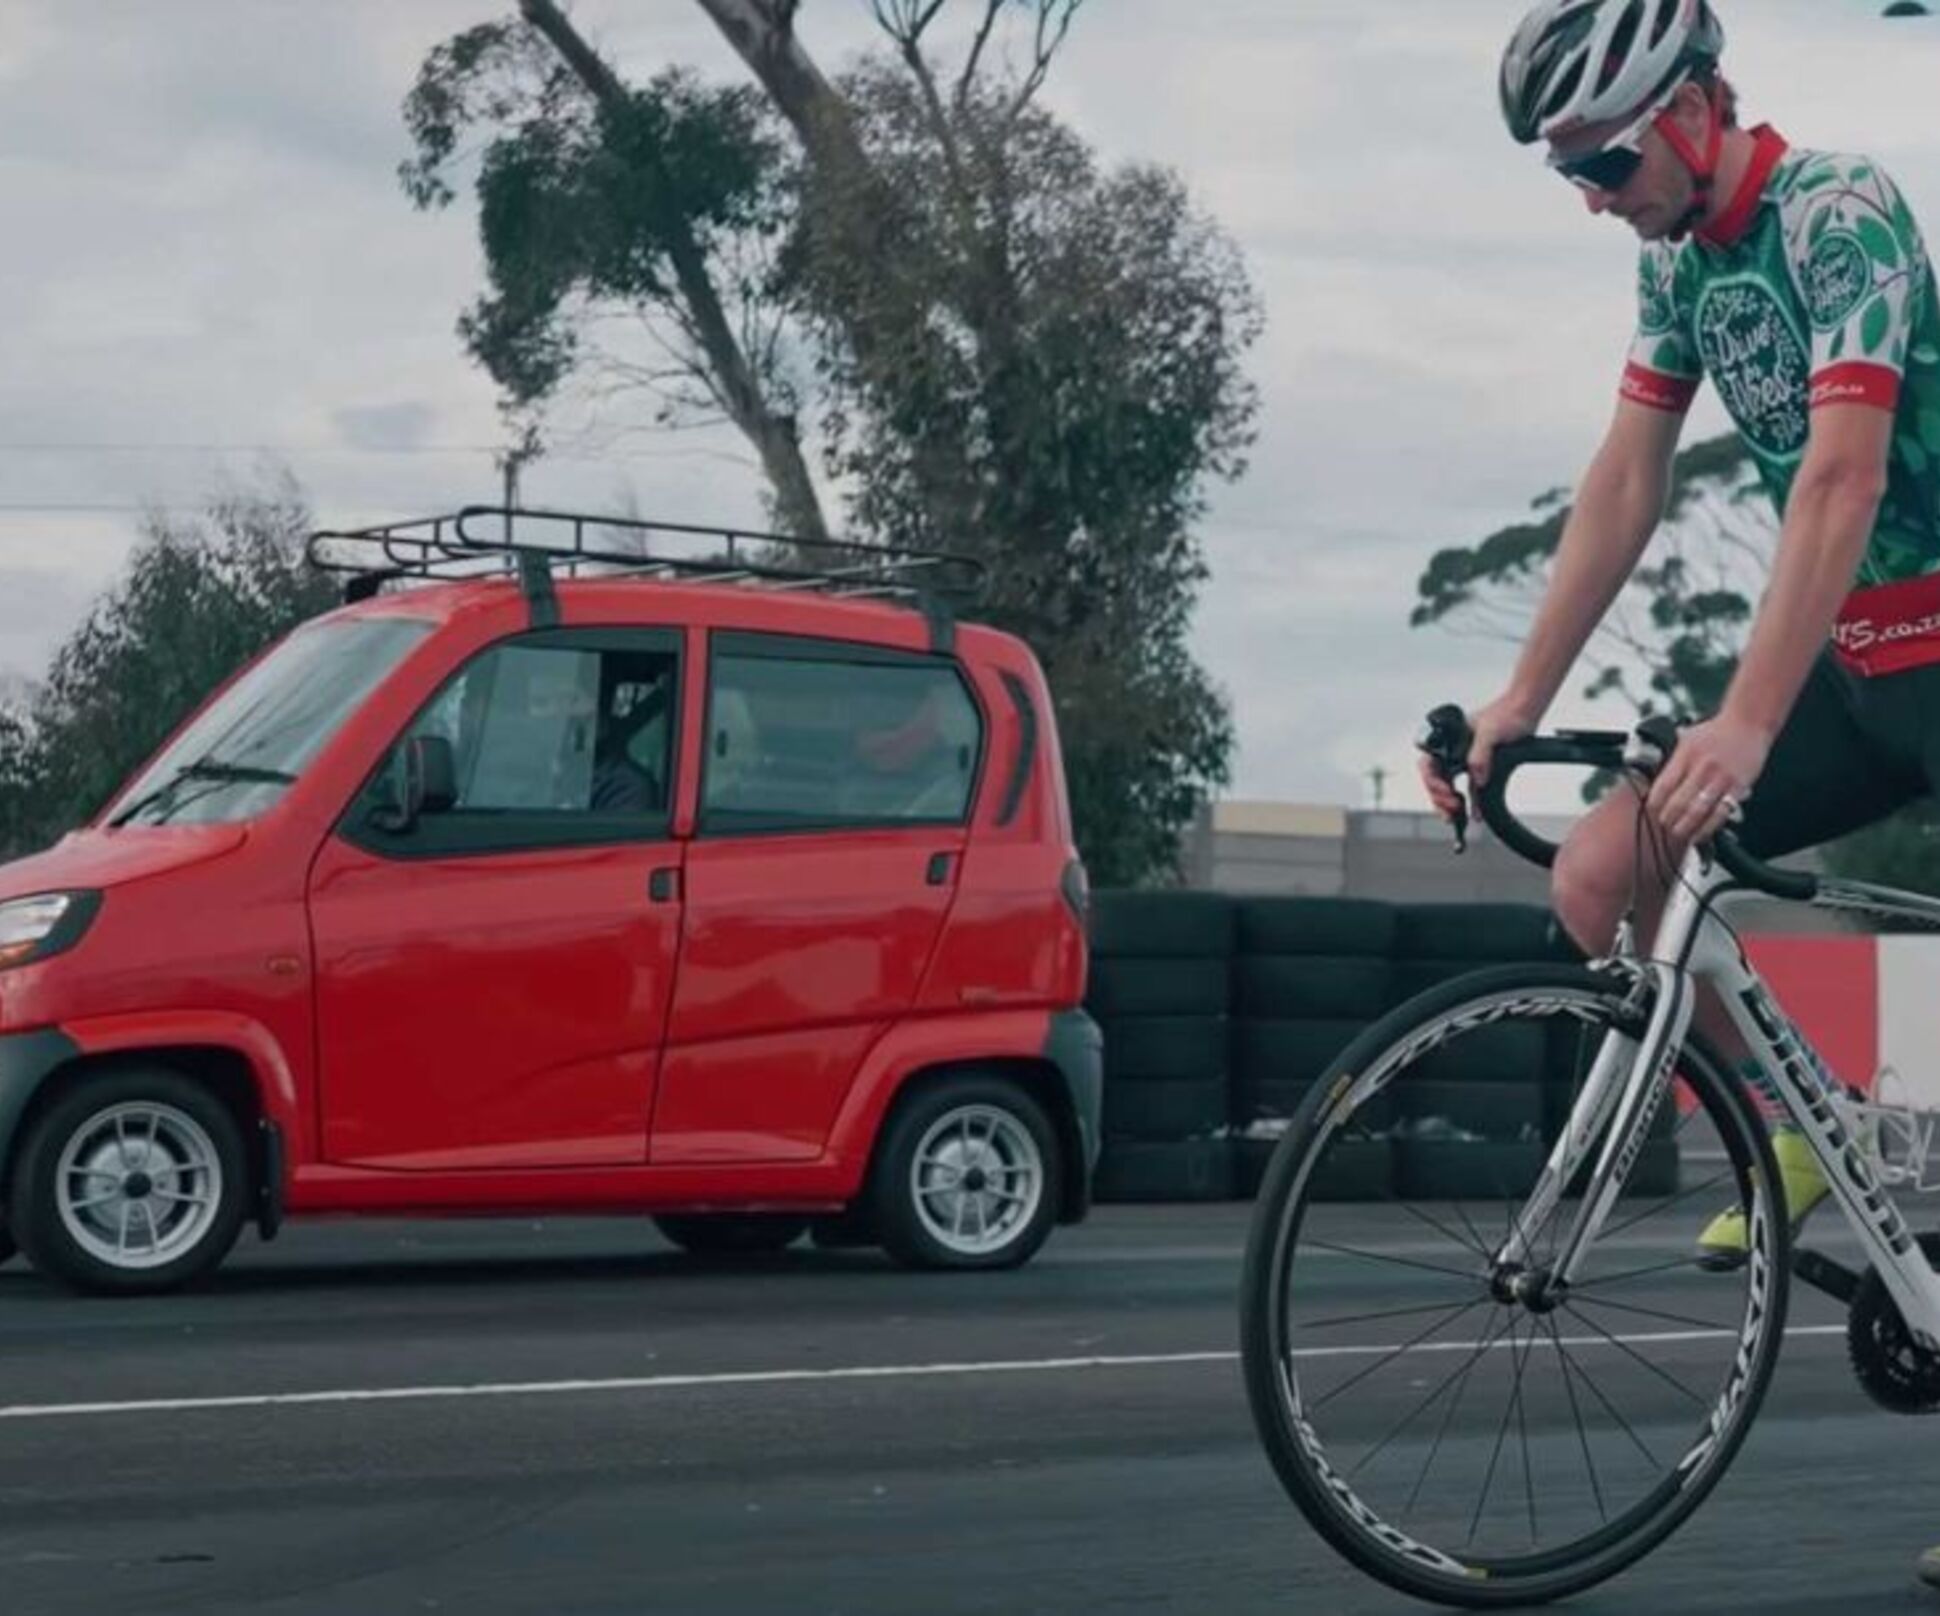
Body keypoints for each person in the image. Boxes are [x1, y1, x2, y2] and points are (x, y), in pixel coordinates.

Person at [1425, 2, 1940, 1582]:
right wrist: (1516, 700)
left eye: (1606, 156)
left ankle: (1908, 1101)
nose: (1591, 192)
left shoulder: (1840, 212)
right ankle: (1810, 1132)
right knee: (1600, 876)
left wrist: (1749, 722)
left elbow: (1844, 477)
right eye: (1563, 172)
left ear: (1702, 105)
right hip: (1870, 659)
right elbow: (1628, 480)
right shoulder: (1677, 260)